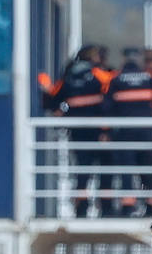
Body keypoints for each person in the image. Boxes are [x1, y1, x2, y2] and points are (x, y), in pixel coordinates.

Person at [105, 47, 152, 217]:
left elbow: (106, 107)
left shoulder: (116, 79)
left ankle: (128, 207)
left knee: (127, 170)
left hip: (125, 134)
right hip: (147, 133)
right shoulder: (150, 78)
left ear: (124, 60)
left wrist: (108, 130)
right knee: (149, 171)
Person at [47, 45, 114, 218]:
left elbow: (53, 98)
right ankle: (106, 209)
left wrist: (62, 113)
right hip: (99, 131)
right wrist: (106, 129)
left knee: (82, 170)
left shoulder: (69, 75)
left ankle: (81, 208)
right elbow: (111, 96)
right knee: (105, 169)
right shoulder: (100, 75)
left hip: (77, 131)